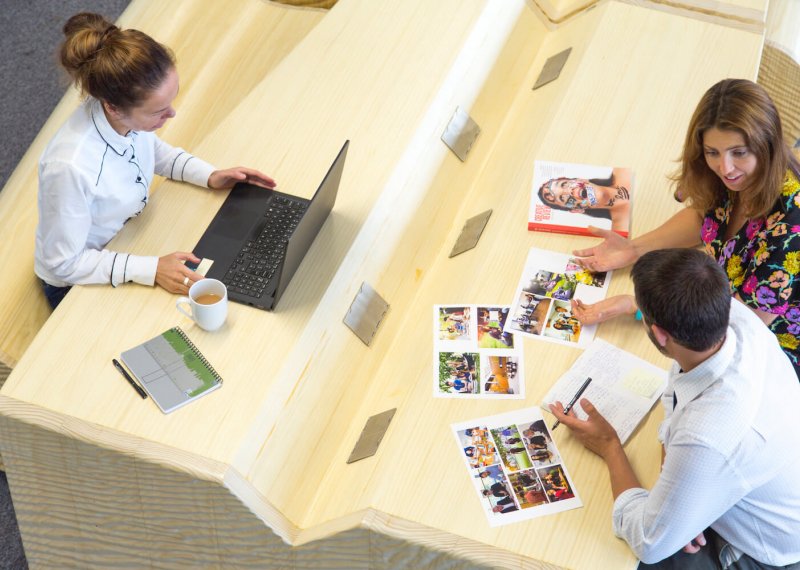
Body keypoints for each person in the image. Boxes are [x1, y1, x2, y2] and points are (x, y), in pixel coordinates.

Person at [550, 249, 800, 568]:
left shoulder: (708, 432)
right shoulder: (734, 317)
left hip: (769, 551)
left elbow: (648, 541)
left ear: (658, 334)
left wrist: (610, 446)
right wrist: (680, 504)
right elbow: (677, 391)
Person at [35, 13, 276, 309]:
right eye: (158, 111)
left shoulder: (123, 116)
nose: (172, 115)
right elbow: (63, 265)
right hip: (80, 278)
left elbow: (153, 154)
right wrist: (152, 270)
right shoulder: (69, 167)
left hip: (127, 240)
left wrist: (210, 175)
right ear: (113, 107)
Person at [571, 78, 800, 378]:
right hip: (713, 304)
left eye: (739, 152)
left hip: (768, 351)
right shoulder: (732, 178)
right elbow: (704, 217)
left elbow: (735, 328)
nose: (725, 168)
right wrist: (634, 248)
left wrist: (640, 307)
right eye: (712, 152)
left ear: (765, 144)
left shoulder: (792, 227)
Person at [537, 167, 632, 233]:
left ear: (581, 179)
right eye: (562, 198)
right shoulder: (621, 233)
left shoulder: (625, 170)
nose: (570, 191)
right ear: (577, 210)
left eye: (564, 184)